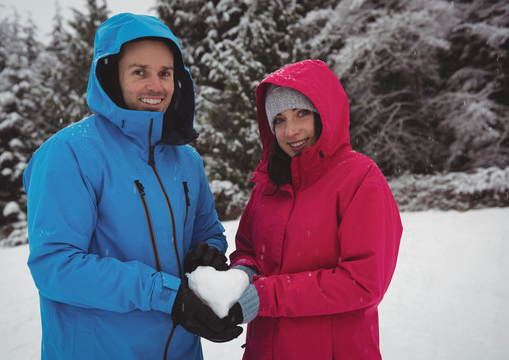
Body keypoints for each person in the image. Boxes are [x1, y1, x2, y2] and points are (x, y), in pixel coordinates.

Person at [23, 13, 241, 360]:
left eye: (165, 73)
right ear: (111, 75)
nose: (156, 86)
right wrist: (166, 295)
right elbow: (56, 267)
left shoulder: (187, 161)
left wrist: (206, 256)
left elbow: (209, 233)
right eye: (139, 72)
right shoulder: (70, 153)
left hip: (182, 351)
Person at [224, 59, 403, 359]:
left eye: (301, 114)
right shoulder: (268, 185)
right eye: (279, 120)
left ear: (324, 113)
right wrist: (242, 273)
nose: (290, 131)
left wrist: (268, 295)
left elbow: (362, 282)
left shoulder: (360, 179)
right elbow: (247, 249)